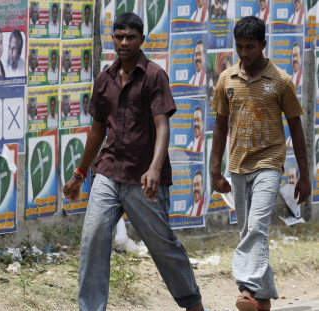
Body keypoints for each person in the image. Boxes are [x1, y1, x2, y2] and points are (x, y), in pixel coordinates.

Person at [63, 13, 205, 311]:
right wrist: (79, 173)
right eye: (118, 36)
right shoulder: (105, 79)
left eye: (130, 37)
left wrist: (154, 168)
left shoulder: (154, 75)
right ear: (112, 38)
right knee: (93, 239)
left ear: (142, 39)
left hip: (143, 178)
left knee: (162, 245)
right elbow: (98, 131)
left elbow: (163, 125)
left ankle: (192, 303)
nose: (124, 42)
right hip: (109, 171)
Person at [210, 16, 310, 311]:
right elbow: (219, 126)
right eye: (239, 46)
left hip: (269, 163)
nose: (244, 53)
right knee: (247, 231)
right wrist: (215, 170)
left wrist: (305, 177)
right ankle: (263, 298)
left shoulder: (281, 81)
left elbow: (296, 128)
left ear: (263, 45)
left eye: (250, 47)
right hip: (238, 165)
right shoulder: (226, 79)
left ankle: (246, 288)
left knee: (257, 225)